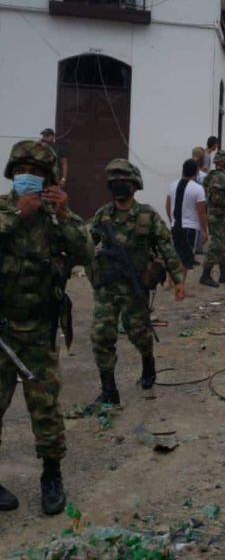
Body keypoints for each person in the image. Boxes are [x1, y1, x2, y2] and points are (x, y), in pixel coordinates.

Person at [0, 140, 92, 515]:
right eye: (22, 172)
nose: (28, 179)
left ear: (49, 180)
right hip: (2, 331)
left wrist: (66, 213)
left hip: (39, 332)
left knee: (46, 411)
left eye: (36, 174)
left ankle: (51, 476)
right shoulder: (4, 211)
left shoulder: (57, 220)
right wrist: (16, 216)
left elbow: (87, 252)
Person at [88, 159, 185, 407]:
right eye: (115, 181)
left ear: (134, 185)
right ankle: (109, 390)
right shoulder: (103, 215)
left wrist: (178, 280)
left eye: (125, 181)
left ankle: (148, 362)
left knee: (139, 334)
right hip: (107, 289)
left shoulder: (147, 216)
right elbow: (85, 244)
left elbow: (166, 248)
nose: (120, 185)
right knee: (101, 336)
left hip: (135, 288)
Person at [200, 151, 225, 287]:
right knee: (217, 245)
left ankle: (223, 274)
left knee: (223, 245)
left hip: (216, 214)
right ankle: (205, 275)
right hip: (217, 215)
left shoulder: (211, 176)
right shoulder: (222, 178)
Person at [165, 159, 209, 276]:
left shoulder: (172, 185)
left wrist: (172, 220)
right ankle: (181, 287)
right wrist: (204, 231)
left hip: (176, 226)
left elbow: (168, 206)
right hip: (190, 228)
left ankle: (170, 283)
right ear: (196, 172)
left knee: (176, 255)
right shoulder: (198, 189)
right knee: (185, 261)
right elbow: (201, 212)